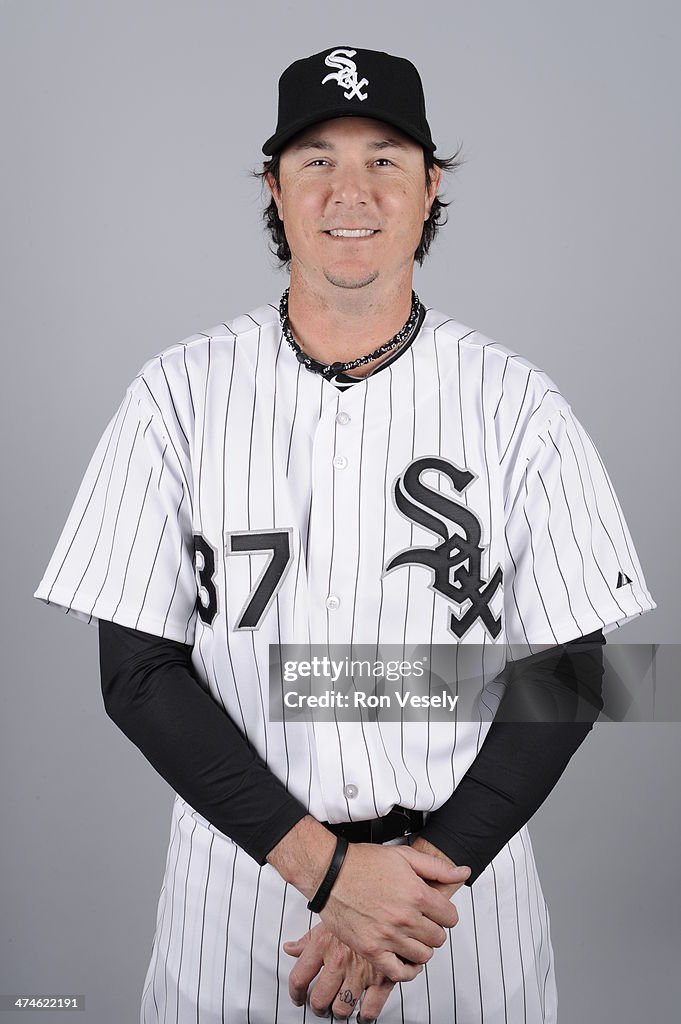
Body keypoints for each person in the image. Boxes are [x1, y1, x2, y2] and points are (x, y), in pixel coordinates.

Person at [34, 45, 656, 1024]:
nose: (349, 190)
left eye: (384, 158)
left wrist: (414, 886)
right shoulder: (175, 398)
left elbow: (581, 668)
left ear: (428, 186)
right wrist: (329, 874)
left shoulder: (519, 406)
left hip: (454, 924)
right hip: (241, 916)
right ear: (274, 188)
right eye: (316, 158)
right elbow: (136, 675)